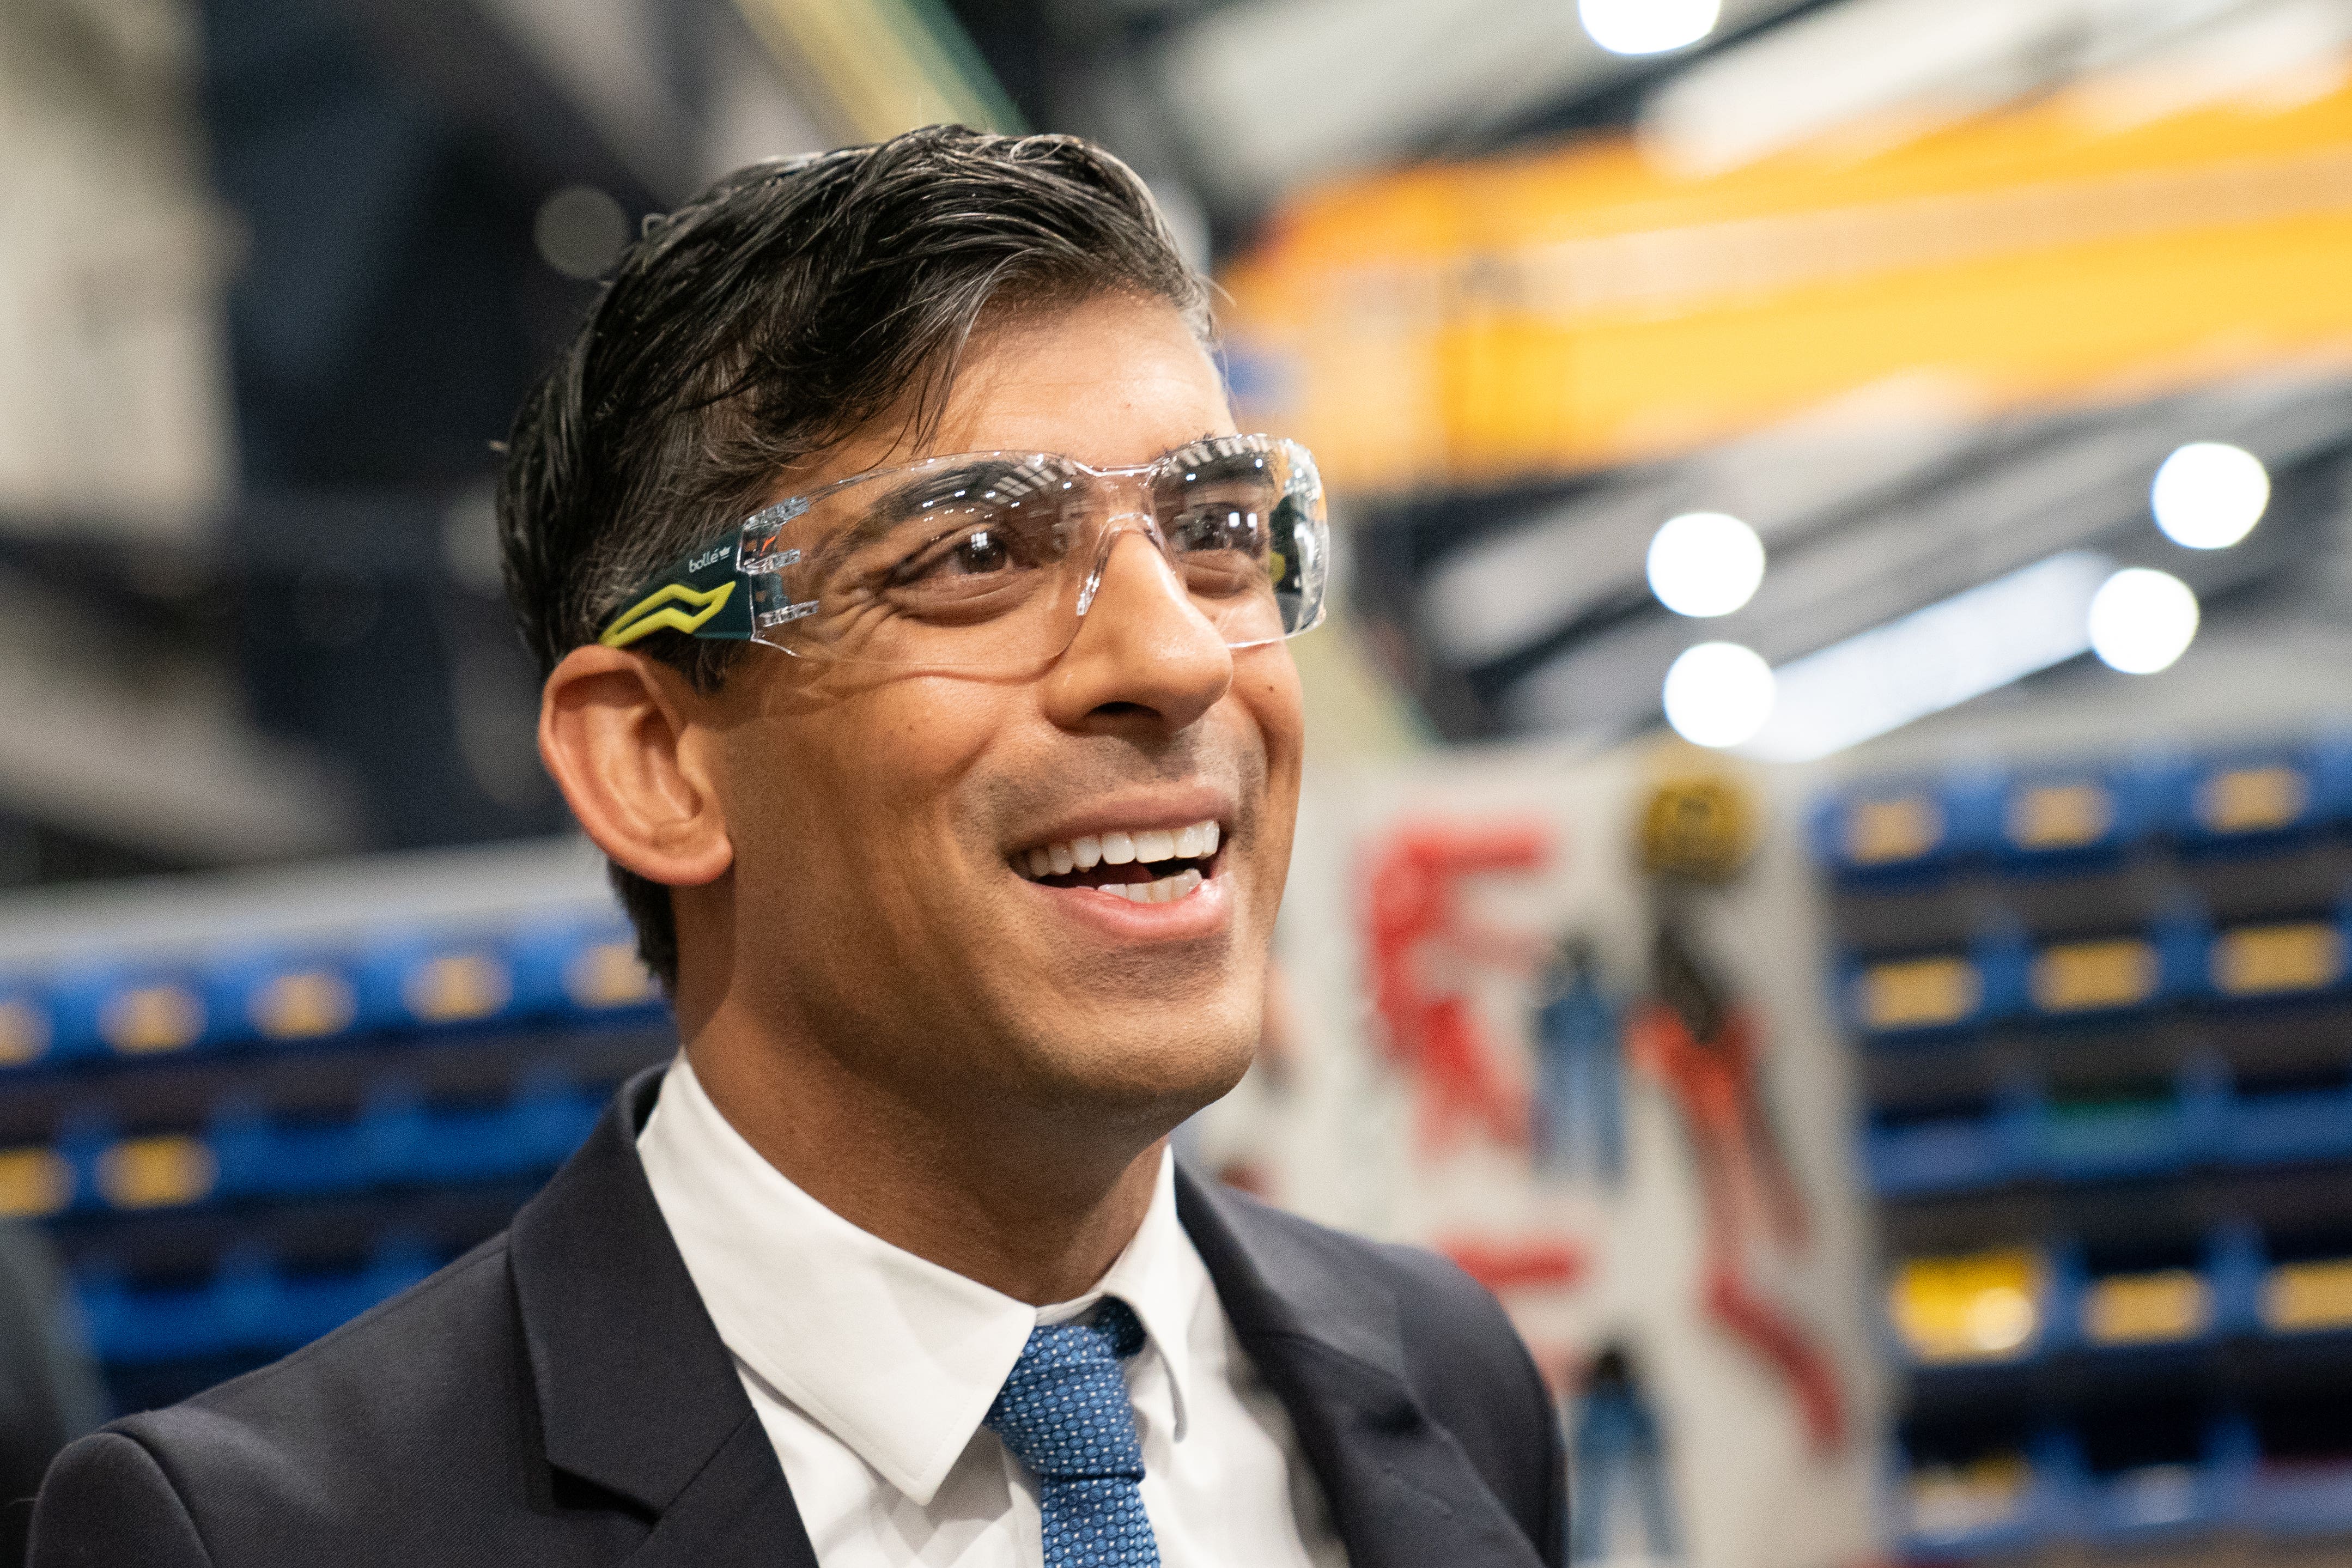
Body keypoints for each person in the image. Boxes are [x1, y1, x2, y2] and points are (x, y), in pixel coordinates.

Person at [29, 126, 1564, 1567]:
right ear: (657, 763)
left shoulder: (1449, 1379)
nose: (1176, 661)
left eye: (1219, 532)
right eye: (973, 555)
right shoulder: (270, 1540)